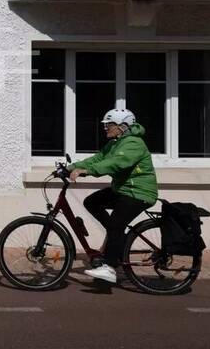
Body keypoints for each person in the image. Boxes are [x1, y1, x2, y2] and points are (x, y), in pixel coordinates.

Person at [67, 108, 157, 284]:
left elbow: (116, 164)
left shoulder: (133, 143)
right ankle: (115, 241)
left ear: (123, 126)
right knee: (92, 202)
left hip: (139, 193)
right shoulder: (115, 143)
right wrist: (71, 167)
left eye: (110, 125)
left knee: (115, 225)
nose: (106, 128)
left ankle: (110, 267)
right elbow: (98, 159)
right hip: (123, 190)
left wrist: (87, 172)